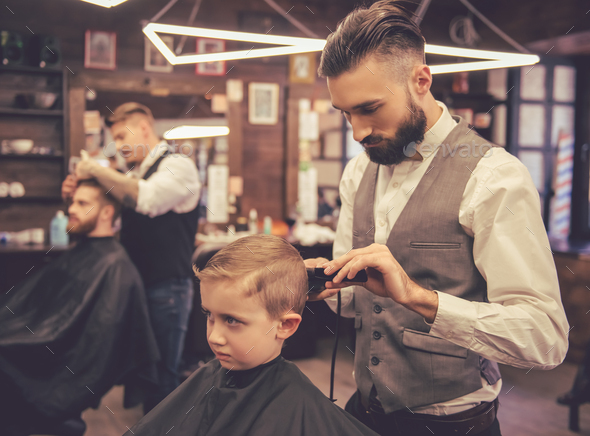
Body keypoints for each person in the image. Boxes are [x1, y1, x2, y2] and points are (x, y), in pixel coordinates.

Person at [304, 2, 570, 435]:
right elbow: (354, 299)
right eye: (346, 113)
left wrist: (416, 296)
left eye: (370, 108)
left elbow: (545, 337)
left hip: (452, 422)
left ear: (421, 80)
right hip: (365, 412)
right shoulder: (359, 171)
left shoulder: (493, 177)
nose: (357, 132)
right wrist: (312, 284)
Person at [123, 235, 379, 436]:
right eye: (209, 315)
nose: (214, 336)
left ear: (286, 326)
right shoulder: (207, 379)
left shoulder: (296, 406)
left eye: (232, 320)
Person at [62, 102, 201, 411]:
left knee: (164, 379)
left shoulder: (178, 166)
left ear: (143, 129)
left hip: (168, 290)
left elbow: (147, 198)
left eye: (123, 137)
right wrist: (78, 194)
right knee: (145, 374)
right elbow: (104, 217)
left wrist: (97, 170)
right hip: (136, 287)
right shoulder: (132, 174)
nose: (119, 146)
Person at [0, 180, 159, 436]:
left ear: (107, 212)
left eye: (82, 203)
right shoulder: (86, 252)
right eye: (72, 201)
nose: (71, 209)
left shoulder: (116, 267)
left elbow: (90, 344)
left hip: (57, 368)